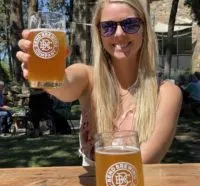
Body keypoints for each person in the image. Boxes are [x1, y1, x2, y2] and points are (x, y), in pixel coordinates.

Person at [16, 0, 182, 166]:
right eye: (108, 27)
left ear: (144, 29)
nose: (118, 34)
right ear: (99, 34)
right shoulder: (89, 78)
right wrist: (47, 73)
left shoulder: (166, 93)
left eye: (130, 24)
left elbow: (143, 162)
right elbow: (64, 84)